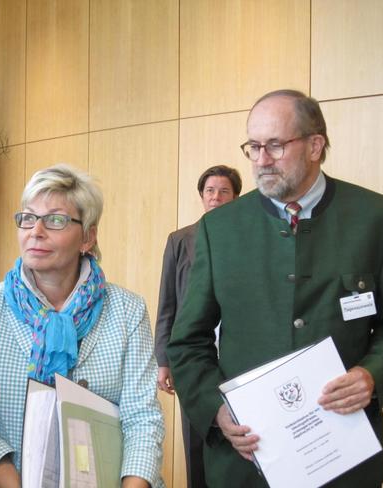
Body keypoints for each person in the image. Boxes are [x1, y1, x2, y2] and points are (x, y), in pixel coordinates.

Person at [166, 89, 383, 487]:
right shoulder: (218, 230)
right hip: (246, 462)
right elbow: (188, 342)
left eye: (275, 145)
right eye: (253, 147)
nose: (261, 160)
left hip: (343, 459)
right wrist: (217, 411)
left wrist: (372, 375)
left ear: (315, 145)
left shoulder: (380, 219)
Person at [0, 164, 165, 488]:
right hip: (5, 482)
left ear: (88, 237)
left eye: (55, 220)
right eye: (27, 218)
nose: (36, 231)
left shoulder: (126, 310)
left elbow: (143, 420)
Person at [154, 164, 241, 488]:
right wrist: (164, 360)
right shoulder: (180, 240)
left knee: (242, 438)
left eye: (224, 191)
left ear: (236, 197)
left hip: (238, 358)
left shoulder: (248, 240)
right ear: (202, 197)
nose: (216, 197)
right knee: (195, 439)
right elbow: (167, 305)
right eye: (210, 191)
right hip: (193, 359)